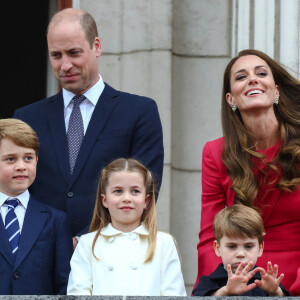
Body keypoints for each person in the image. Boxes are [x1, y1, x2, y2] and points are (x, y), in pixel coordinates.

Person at [13, 8, 164, 243]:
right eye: (56, 55)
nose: (65, 65)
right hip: (41, 258)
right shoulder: (27, 118)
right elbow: (15, 192)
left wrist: (87, 239)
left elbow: (145, 189)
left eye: (74, 53)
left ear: (96, 47)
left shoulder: (139, 112)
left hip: (112, 254)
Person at [194, 49, 300, 296]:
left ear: (276, 91)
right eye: (241, 77)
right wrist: (223, 289)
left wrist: (292, 293)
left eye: (261, 73)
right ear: (231, 100)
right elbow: (210, 234)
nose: (252, 79)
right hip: (240, 275)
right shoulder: (214, 152)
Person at [67, 158, 186, 296]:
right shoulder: (88, 244)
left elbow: (174, 295)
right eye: (118, 191)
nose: (127, 198)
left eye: (135, 191)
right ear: (104, 200)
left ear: (146, 200)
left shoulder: (164, 243)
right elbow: (78, 293)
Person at [0, 118, 72, 295]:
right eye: (10, 159)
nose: (21, 166)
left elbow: (64, 283)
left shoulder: (56, 220)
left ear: (37, 160)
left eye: (28, 158)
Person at [193, 205, 290, 296]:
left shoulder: (266, 282)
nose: (240, 254)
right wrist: (225, 291)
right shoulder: (208, 282)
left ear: (260, 248)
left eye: (248, 246)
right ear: (217, 248)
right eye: (232, 246)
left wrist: (276, 292)